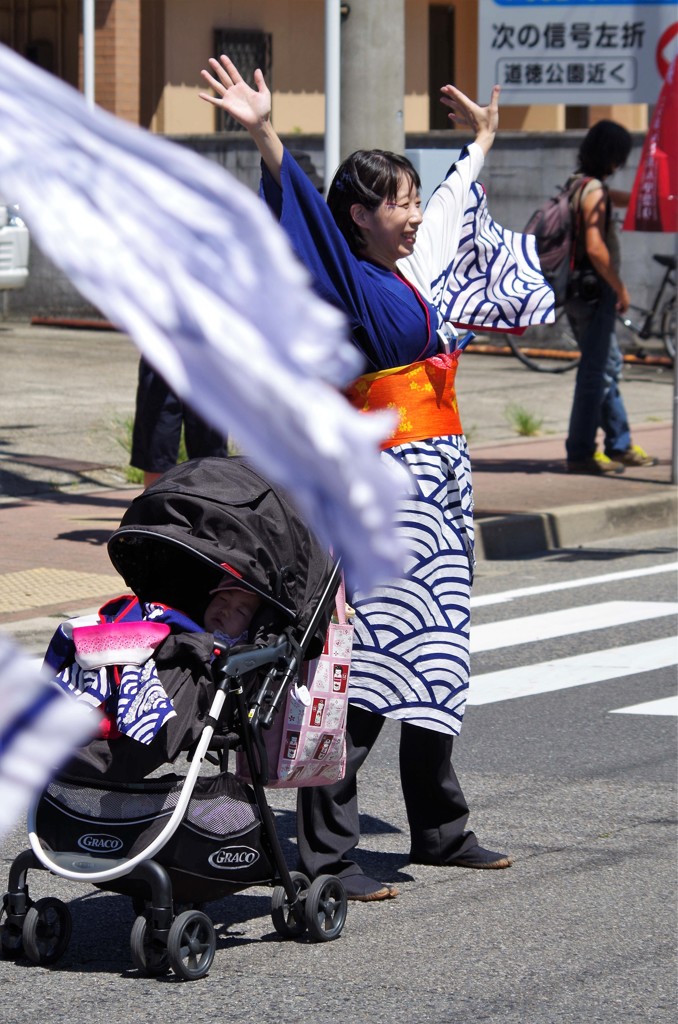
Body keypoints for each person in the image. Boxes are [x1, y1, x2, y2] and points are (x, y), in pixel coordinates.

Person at [199, 54, 515, 902]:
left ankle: (441, 830)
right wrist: (266, 133)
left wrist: (479, 148)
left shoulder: (407, 267)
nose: (413, 215)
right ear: (357, 217)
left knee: (439, 659)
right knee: (365, 667)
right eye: (397, 203)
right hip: (380, 494)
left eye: (413, 200)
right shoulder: (346, 284)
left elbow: (450, 215)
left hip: (439, 494)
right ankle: (328, 854)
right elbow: (300, 216)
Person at [564, 121, 657, 475]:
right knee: (596, 374)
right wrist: (619, 287)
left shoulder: (579, 183)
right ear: (614, 157)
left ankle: (619, 444)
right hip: (594, 292)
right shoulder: (594, 193)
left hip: (577, 291)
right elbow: (595, 247)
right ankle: (582, 451)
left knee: (607, 367)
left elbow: (616, 199)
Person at [130, 356, 230, 488]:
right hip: (162, 358)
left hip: (207, 361)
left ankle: (212, 505)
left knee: (211, 459)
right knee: (157, 452)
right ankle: (155, 505)